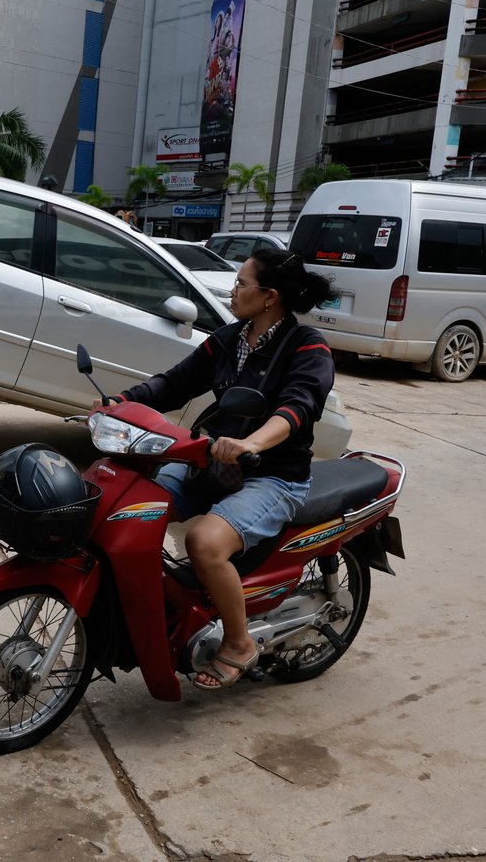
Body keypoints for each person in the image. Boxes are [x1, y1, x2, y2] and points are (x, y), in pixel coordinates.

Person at [95, 249, 336, 689]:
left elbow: (298, 406)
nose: (233, 291)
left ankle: (239, 642)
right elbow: (173, 383)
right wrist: (121, 402)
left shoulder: (307, 346)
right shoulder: (229, 339)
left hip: (272, 476)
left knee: (204, 543)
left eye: (242, 283)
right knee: (126, 509)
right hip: (211, 462)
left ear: (269, 296)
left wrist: (251, 443)